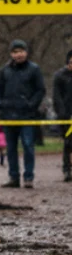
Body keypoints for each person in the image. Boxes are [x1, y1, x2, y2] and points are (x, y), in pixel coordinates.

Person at [0, 39, 45, 188]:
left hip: (27, 115)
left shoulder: (34, 69)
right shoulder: (4, 71)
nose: (18, 55)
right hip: (9, 115)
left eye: (21, 51)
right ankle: (13, 177)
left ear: (26, 52)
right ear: (11, 54)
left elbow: (40, 90)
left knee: (28, 145)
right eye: (15, 52)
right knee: (11, 148)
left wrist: (31, 105)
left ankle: (28, 177)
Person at [52, 49, 72, 182]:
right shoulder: (59, 76)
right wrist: (63, 114)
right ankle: (67, 169)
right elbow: (57, 97)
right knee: (68, 143)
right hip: (66, 116)